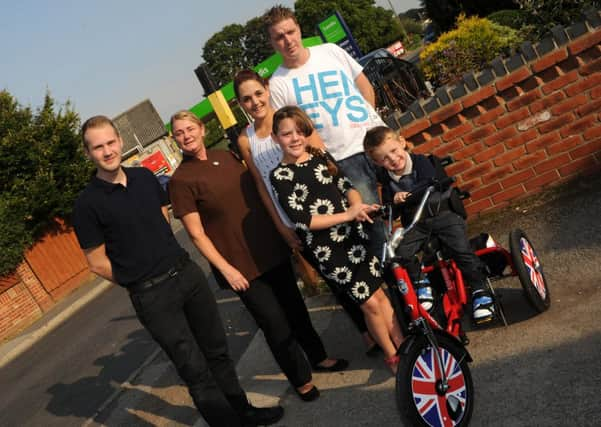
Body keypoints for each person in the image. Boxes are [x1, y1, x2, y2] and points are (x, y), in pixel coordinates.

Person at [72, 115, 283, 427]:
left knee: (218, 353)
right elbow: (97, 261)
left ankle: (244, 411)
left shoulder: (144, 177)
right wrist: (136, 280)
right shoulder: (86, 205)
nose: (107, 151)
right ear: (88, 153)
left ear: (120, 141)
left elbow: (162, 219)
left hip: (187, 275)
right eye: (98, 147)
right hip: (152, 295)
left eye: (111, 142)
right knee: (194, 369)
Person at [167, 111, 348, 402]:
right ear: (174, 139)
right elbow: (196, 234)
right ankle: (300, 379)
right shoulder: (180, 181)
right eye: (179, 132)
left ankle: (319, 357)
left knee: (296, 310)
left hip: (269, 248)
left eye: (190, 128)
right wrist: (226, 269)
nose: (187, 135)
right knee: (275, 324)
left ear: (201, 129)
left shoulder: (226, 156)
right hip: (240, 265)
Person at [233, 68, 380, 356]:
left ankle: (387, 323)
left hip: (331, 210)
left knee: (364, 267)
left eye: (258, 94)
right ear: (240, 105)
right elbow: (262, 187)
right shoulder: (245, 140)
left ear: (267, 89)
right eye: (246, 99)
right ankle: (367, 333)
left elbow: (325, 161)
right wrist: (281, 226)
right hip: (298, 222)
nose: (255, 102)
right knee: (337, 281)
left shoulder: (291, 117)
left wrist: (347, 202)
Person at [269, 106, 404, 373]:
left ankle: (402, 345)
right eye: (286, 134)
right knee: (369, 303)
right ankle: (393, 356)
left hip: (354, 238)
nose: (294, 138)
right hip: (329, 250)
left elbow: (347, 187)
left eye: (299, 132)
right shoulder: (279, 176)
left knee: (380, 295)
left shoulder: (320, 156)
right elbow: (304, 220)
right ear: (275, 138)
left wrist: (356, 207)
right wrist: (347, 214)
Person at [263, 5, 386, 247]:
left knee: (410, 202)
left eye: (290, 31)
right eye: (279, 36)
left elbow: (364, 86)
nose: (288, 40)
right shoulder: (277, 83)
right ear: (272, 43)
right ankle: (398, 282)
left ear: (299, 29)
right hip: (341, 159)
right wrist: (326, 161)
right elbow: (291, 132)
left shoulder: (330, 51)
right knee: (375, 226)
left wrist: (375, 126)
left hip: (378, 142)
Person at [363, 125, 495, 323]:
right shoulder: (388, 180)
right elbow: (392, 210)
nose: (392, 159)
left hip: (444, 215)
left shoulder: (421, 161)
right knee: (400, 253)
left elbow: (429, 181)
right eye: (384, 158)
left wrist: (409, 195)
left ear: (402, 143)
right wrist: (391, 204)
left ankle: (479, 288)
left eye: (394, 151)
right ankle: (422, 284)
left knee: (460, 249)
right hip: (417, 225)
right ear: (377, 162)